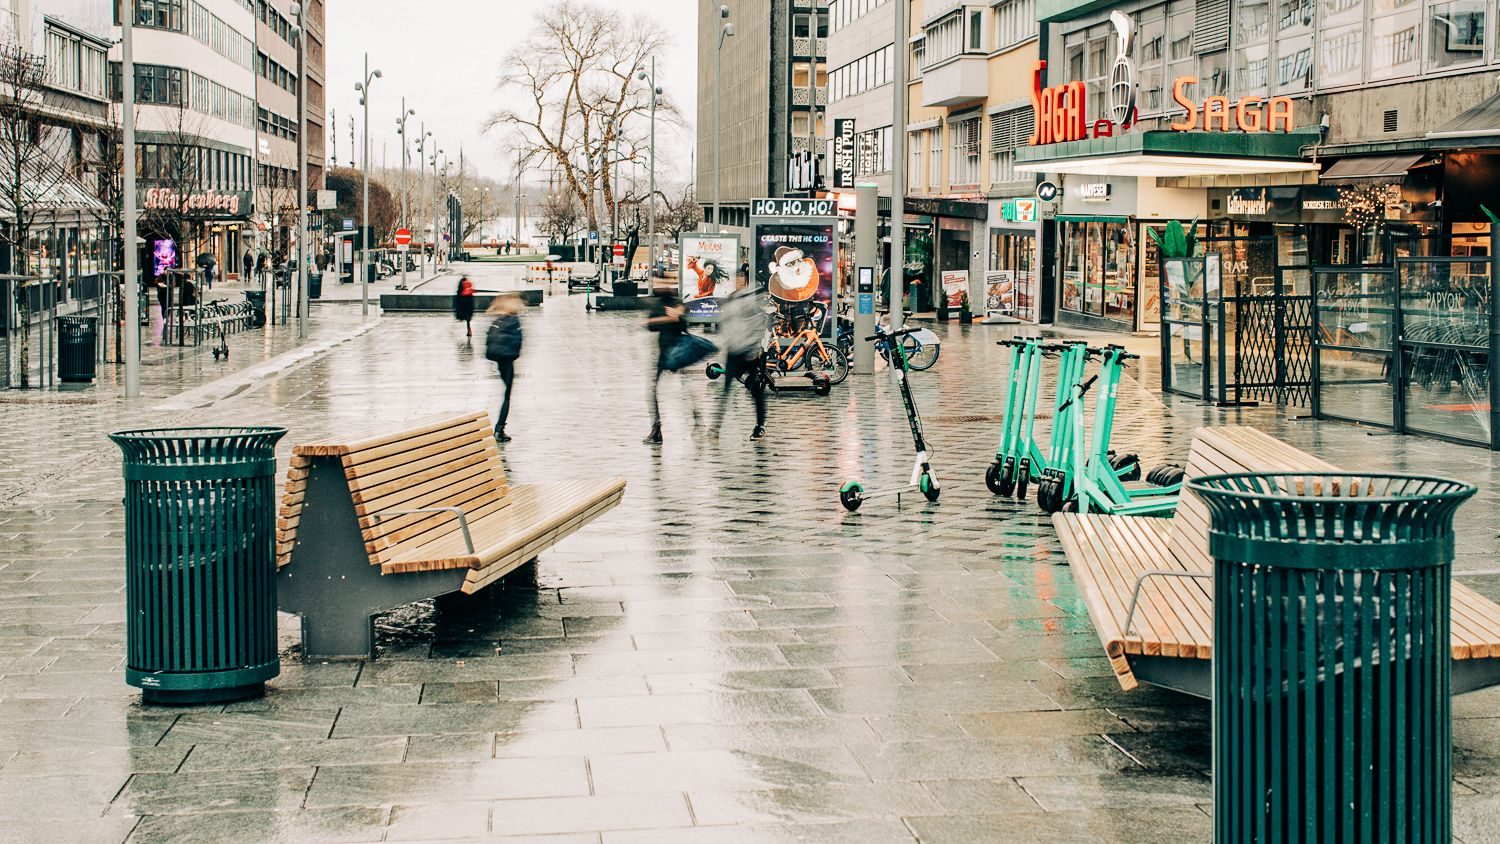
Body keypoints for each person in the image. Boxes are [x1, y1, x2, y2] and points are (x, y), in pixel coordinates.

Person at [715, 273, 768, 441]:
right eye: (735, 280)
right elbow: (724, 323)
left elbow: (759, 324)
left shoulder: (750, 300)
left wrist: (754, 348)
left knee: (756, 389)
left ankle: (760, 426)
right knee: (725, 389)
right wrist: (727, 341)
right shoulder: (730, 300)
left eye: (740, 280)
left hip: (749, 352)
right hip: (733, 351)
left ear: (744, 281)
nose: (737, 283)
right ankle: (716, 427)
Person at [644, 287, 688, 445]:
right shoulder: (660, 304)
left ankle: (697, 422)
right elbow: (650, 325)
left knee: (686, 392)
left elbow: (683, 325)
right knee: (653, 391)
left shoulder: (676, 302)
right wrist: (669, 318)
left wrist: (673, 318)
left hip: (676, 352)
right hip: (665, 353)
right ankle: (656, 429)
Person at [484, 293, 524, 443]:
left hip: (500, 359)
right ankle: (499, 430)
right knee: (507, 396)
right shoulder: (514, 321)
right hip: (507, 360)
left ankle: (500, 428)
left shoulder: (500, 319)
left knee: (507, 392)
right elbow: (517, 342)